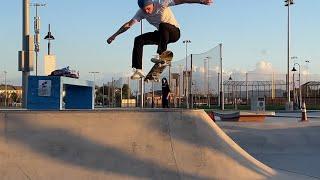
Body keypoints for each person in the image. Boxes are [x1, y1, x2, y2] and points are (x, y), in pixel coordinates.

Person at [107, 0, 213, 79]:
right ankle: (138, 69)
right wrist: (114, 35)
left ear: (152, 3)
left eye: (148, 9)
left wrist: (201, 1)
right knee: (139, 39)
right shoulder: (141, 13)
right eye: (144, 10)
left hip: (174, 32)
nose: (147, 12)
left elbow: (182, 0)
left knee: (163, 25)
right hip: (162, 36)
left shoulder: (162, 3)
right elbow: (129, 24)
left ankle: (161, 54)